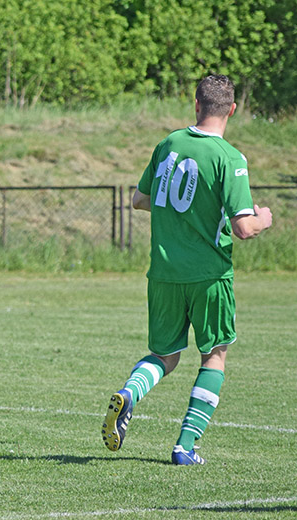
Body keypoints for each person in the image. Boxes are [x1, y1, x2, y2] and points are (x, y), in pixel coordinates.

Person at [101, 74, 273, 465]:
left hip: (163, 273)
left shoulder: (169, 143)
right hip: (209, 275)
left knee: (164, 355)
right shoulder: (230, 157)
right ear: (232, 109)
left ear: (195, 104)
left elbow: (140, 199)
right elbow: (244, 228)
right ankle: (185, 446)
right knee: (214, 354)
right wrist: (264, 217)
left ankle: (128, 393)